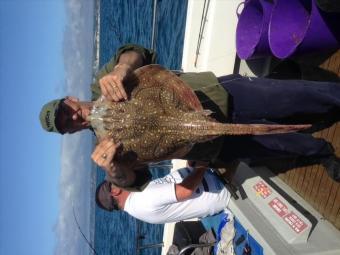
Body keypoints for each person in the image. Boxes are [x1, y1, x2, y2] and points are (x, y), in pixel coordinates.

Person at [39, 44, 340, 189]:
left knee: (292, 96)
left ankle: (332, 101)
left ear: (70, 99)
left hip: (215, 93)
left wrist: (121, 68)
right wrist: (115, 170)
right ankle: (321, 151)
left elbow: (137, 53)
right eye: (68, 125)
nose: (75, 118)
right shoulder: (104, 151)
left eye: (68, 112)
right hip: (209, 143)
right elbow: (138, 180)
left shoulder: (105, 80)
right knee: (281, 145)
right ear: (72, 133)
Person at [95, 161, 232, 224]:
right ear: (115, 191)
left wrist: (192, 165)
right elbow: (185, 191)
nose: (120, 175)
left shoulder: (135, 205)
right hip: (222, 185)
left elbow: (175, 185)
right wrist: (203, 164)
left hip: (211, 178)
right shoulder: (142, 198)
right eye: (115, 179)